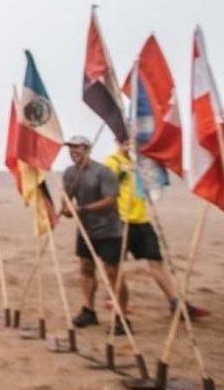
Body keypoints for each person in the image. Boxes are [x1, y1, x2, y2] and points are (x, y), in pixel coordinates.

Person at [103, 146, 209, 318]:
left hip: (141, 219)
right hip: (120, 221)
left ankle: (175, 302)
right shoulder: (112, 161)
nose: (128, 144)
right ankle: (114, 300)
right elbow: (105, 187)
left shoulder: (140, 161)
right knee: (115, 266)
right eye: (123, 140)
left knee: (156, 261)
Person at [59, 135, 128, 334]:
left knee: (113, 273)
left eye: (77, 148)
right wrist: (66, 209)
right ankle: (88, 310)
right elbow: (67, 198)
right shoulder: (70, 173)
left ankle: (122, 316)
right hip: (86, 230)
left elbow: (110, 200)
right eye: (71, 148)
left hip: (109, 230)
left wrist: (84, 208)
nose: (74, 152)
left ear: (87, 149)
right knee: (86, 268)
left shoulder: (103, 172)